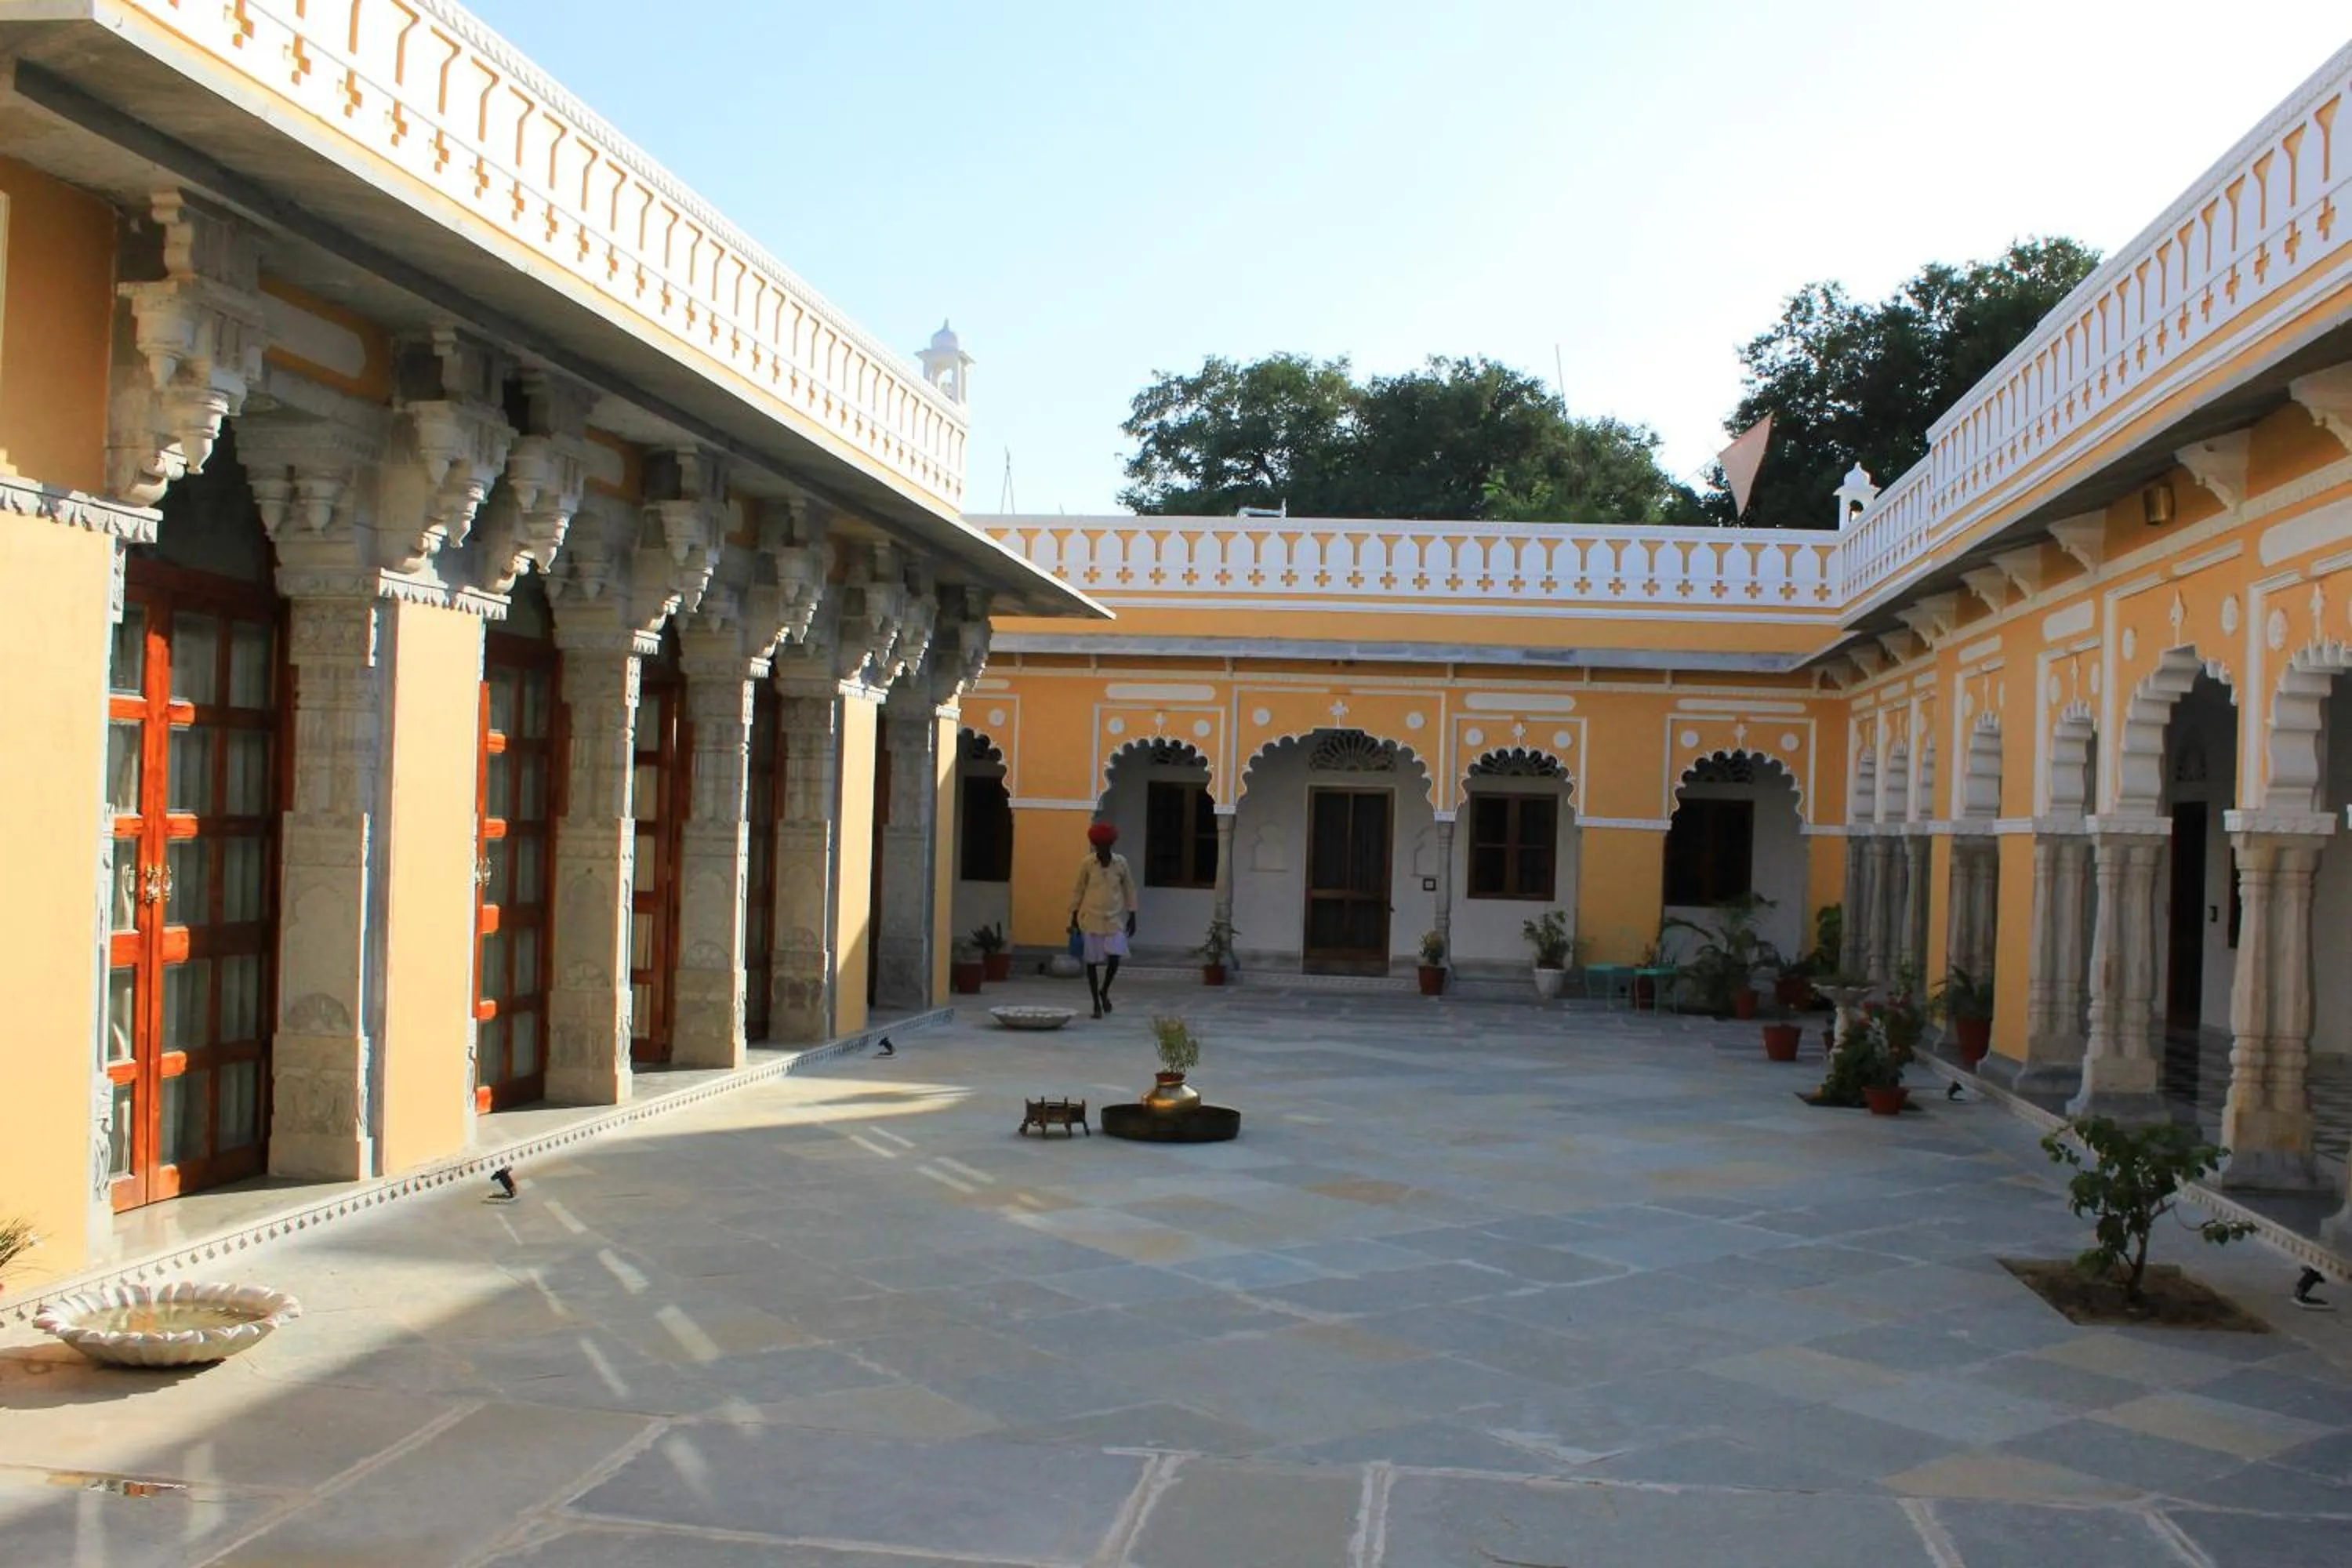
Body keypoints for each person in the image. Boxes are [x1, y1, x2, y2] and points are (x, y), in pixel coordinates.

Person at [1070, 821, 1138, 1019]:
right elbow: (1079, 889)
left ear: (1111, 845)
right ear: (1095, 846)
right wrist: (1073, 914)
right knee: (1091, 962)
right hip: (1091, 917)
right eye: (1099, 846)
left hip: (1114, 918)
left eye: (1106, 846)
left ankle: (1104, 990)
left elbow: (1129, 889)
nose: (1102, 850)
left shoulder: (1121, 863)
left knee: (1115, 958)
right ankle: (1095, 1004)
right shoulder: (1087, 864)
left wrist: (1133, 914)